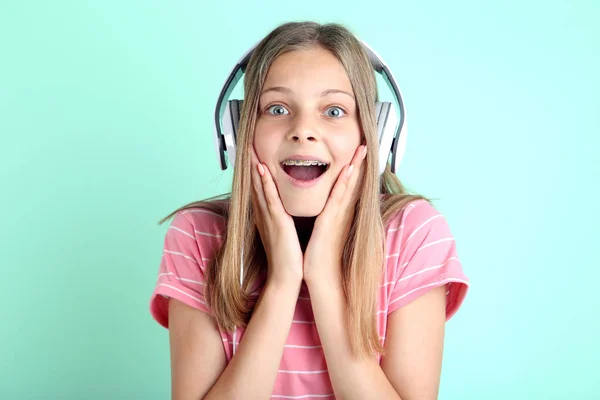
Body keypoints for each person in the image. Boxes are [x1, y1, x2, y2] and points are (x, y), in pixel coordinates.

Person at [149, 20, 469, 400]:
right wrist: (283, 282)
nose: (303, 130)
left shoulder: (413, 234)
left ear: (377, 138)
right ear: (238, 132)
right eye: (278, 108)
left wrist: (323, 279)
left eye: (333, 111)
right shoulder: (199, 236)